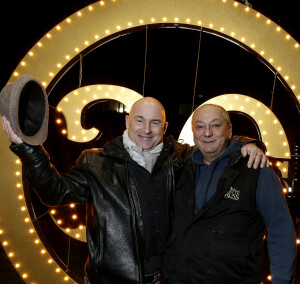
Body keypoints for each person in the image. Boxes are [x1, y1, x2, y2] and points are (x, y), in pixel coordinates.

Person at [1, 97, 267, 284]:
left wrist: (247, 144)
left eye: (155, 123)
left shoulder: (179, 158)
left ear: (164, 127)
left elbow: (214, 143)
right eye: (140, 120)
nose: (147, 130)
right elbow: (55, 193)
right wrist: (28, 149)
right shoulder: (96, 161)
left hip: (167, 278)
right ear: (127, 121)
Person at [162, 104, 296, 284]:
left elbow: (281, 229)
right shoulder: (178, 166)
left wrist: (281, 281)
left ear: (229, 129)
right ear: (193, 131)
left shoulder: (256, 169)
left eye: (215, 125)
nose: (207, 133)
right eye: (200, 126)